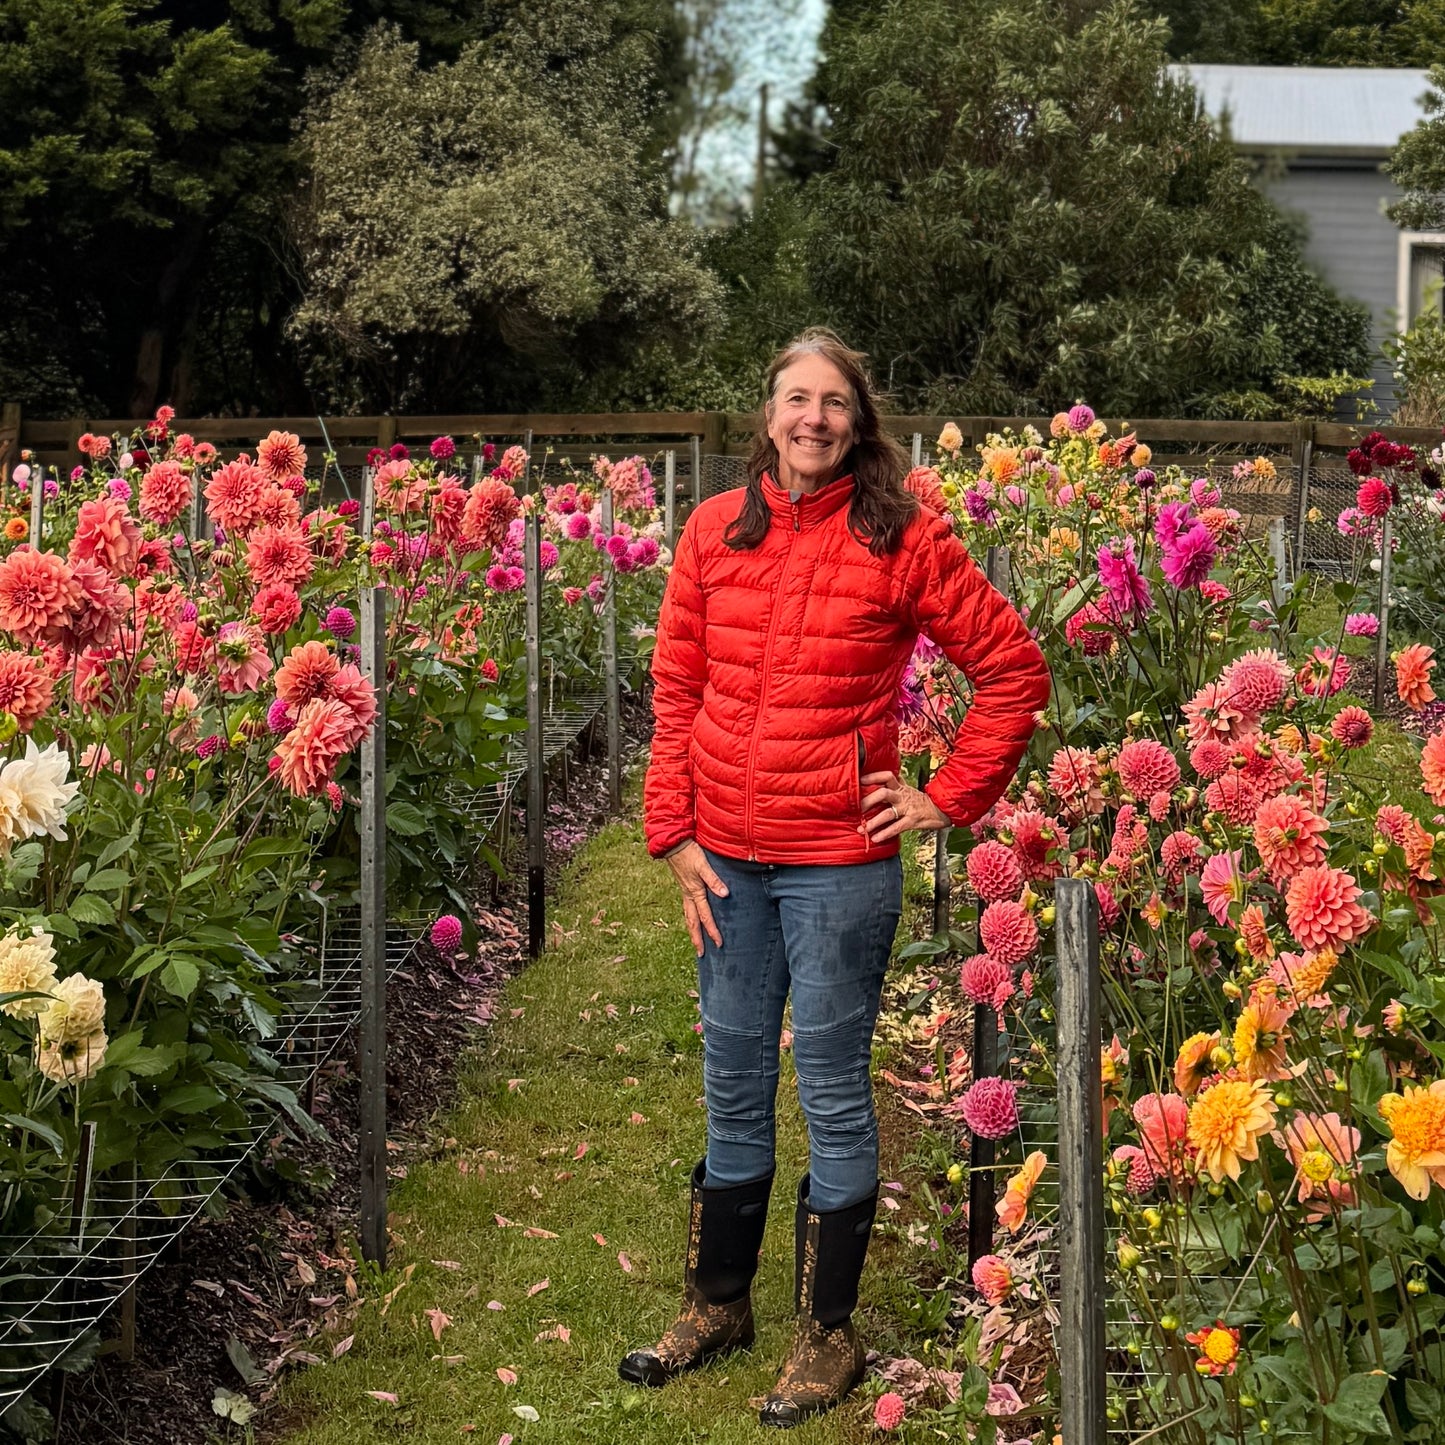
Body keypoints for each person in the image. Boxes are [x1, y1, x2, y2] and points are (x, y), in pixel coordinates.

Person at [620, 328, 1051, 1427]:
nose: (812, 418)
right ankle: (717, 1304)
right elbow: (675, 687)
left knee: (826, 1083)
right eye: (795, 399)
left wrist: (944, 796)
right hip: (725, 859)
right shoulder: (713, 531)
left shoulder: (903, 537)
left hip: (836, 867)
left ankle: (826, 1334)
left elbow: (1011, 668)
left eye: (833, 402)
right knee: (730, 1076)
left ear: (858, 423)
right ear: (767, 415)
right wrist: (673, 831)